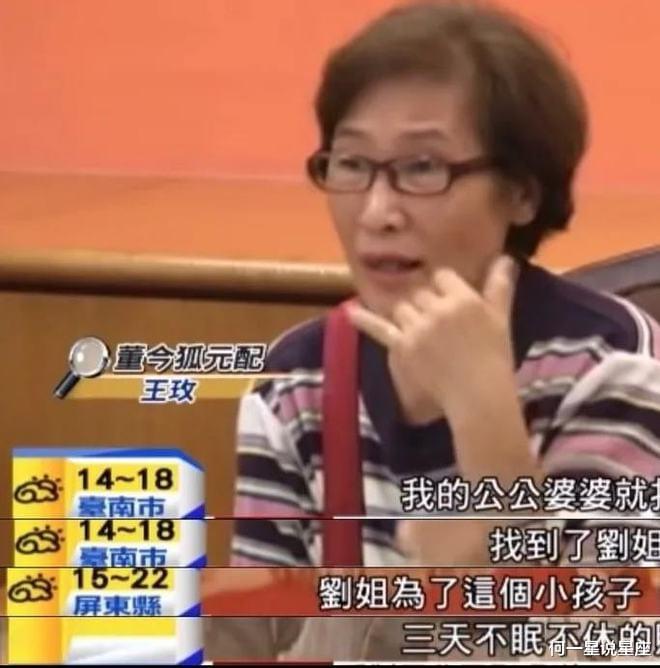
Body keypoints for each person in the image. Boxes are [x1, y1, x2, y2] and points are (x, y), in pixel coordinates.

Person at [211, 0, 660, 660]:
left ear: (521, 192)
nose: (377, 211)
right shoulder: (298, 380)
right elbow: (252, 638)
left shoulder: (612, 367)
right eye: (352, 164)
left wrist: (484, 424)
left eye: (423, 168)